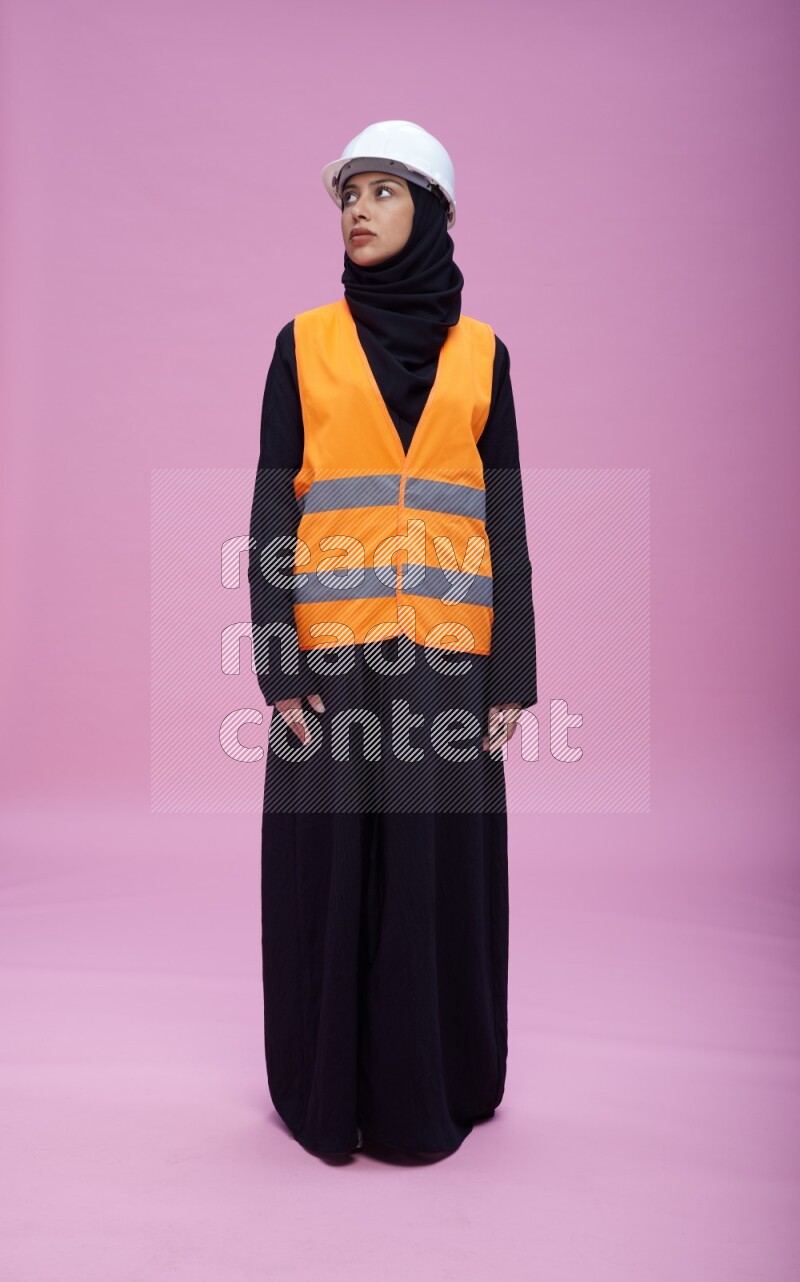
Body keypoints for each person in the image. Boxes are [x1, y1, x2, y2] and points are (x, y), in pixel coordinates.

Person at [248, 120, 537, 1158]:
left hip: (449, 667)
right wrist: (276, 662)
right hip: (329, 666)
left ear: (432, 212)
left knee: (429, 872)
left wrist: (513, 672)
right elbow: (272, 514)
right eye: (347, 195)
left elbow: (502, 522)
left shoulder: (483, 357)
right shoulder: (303, 343)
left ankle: (435, 1085)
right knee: (330, 868)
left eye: (381, 192)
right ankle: (327, 1090)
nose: (358, 211)